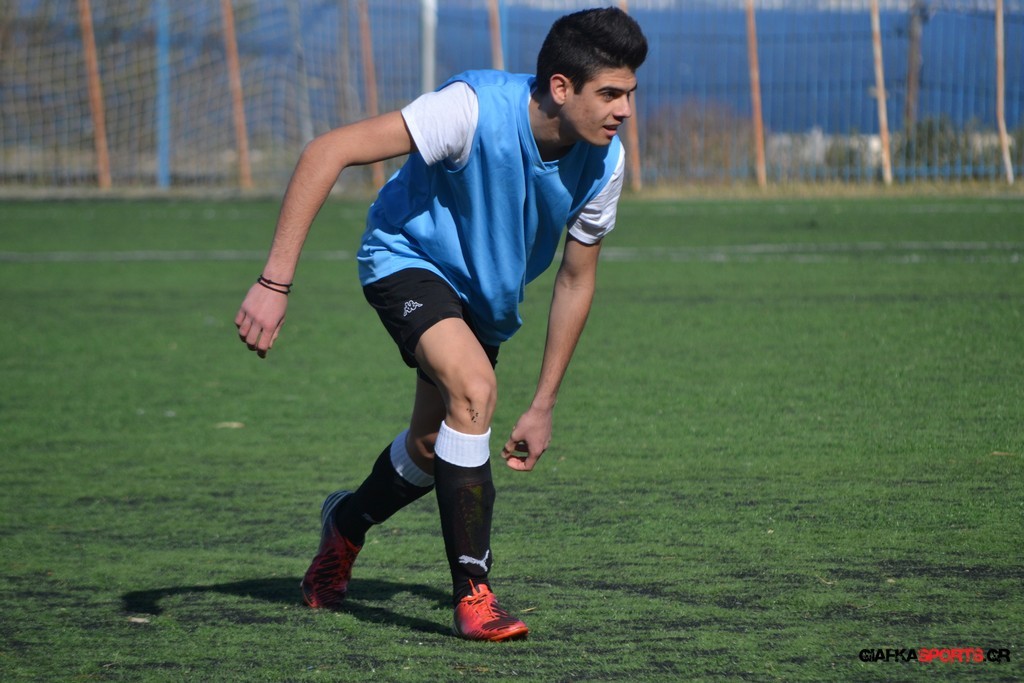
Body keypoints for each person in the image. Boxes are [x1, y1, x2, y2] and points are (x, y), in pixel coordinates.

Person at [235, 7, 648, 642]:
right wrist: (274, 283)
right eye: (611, 94)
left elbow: (575, 279)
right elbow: (328, 151)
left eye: (630, 94)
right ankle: (474, 595)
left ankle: (345, 525)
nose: (625, 111)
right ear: (562, 87)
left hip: (484, 299)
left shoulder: (606, 163)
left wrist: (543, 403)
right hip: (407, 259)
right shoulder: (470, 109)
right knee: (475, 389)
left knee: (431, 450)